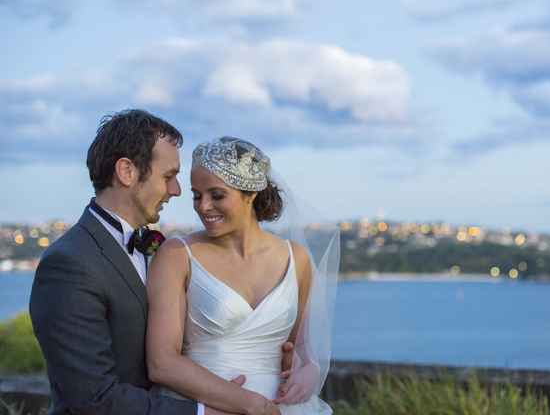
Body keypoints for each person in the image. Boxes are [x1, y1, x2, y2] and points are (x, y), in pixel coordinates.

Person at [29, 110, 289, 415]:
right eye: (168, 176)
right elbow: (93, 399)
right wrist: (202, 412)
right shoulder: (69, 264)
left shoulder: (156, 250)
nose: (176, 190)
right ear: (126, 172)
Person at [146, 137, 339, 415]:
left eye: (216, 195)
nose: (203, 206)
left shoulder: (296, 259)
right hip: (209, 408)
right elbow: (161, 361)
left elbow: (301, 346)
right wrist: (247, 403)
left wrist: (310, 368)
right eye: (197, 195)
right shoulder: (177, 255)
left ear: (250, 194)